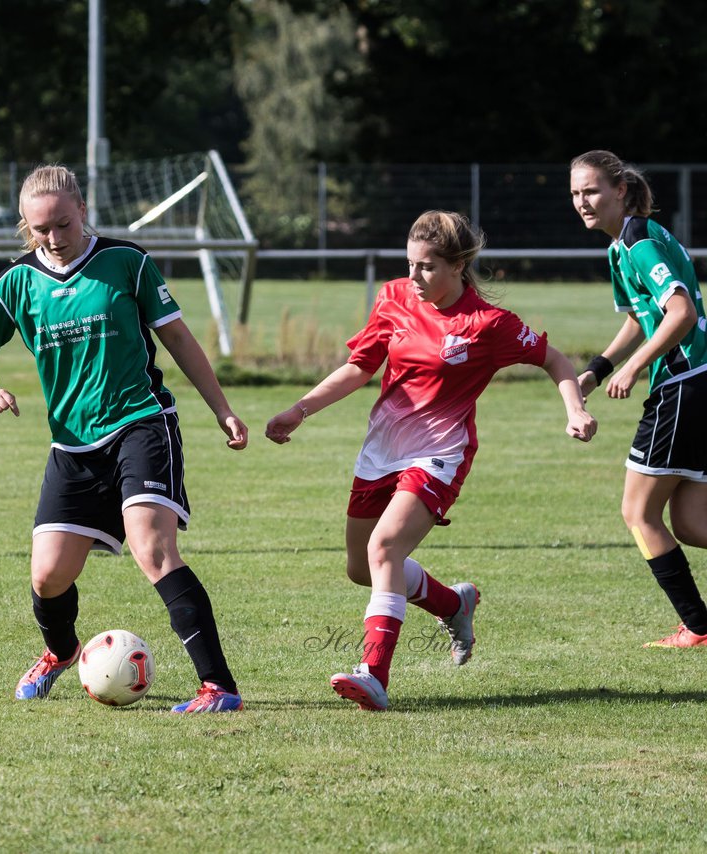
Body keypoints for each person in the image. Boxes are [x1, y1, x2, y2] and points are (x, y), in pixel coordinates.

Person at [265, 210, 597, 711]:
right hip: (382, 451)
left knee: (385, 548)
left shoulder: (488, 325)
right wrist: (300, 409)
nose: (414, 276)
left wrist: (575, 408)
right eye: (410, 263)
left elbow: (555, 360)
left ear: (459, 265)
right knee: (363, 567)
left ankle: (373, 674)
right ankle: (452, 603)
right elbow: (360, 366)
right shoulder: (395, 297)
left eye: (427, 267)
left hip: (440, 454)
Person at [0, 164, 249, 713]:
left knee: (154, 549)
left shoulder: (126, 263)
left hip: (140, 423)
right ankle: (61, 652)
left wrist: (223, 409)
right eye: (40, 229)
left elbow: (179, 340)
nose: (54, 238)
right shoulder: (15, 283)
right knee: (47, 577)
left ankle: (219, 687)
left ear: (83, 212)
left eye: (63, 224)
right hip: (72, 445)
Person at [569, 150, 707, 649]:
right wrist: (596, 370)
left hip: (683, 383)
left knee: (639, 514)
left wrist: (634, 367)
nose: (583, 202)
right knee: (691, 523)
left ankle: (697, 626)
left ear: (619, 190)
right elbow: (637, 318)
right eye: (576, 194)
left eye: (592, 191)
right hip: (696, 382)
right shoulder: (621, 246)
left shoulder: (638, 241)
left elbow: (681, 312)